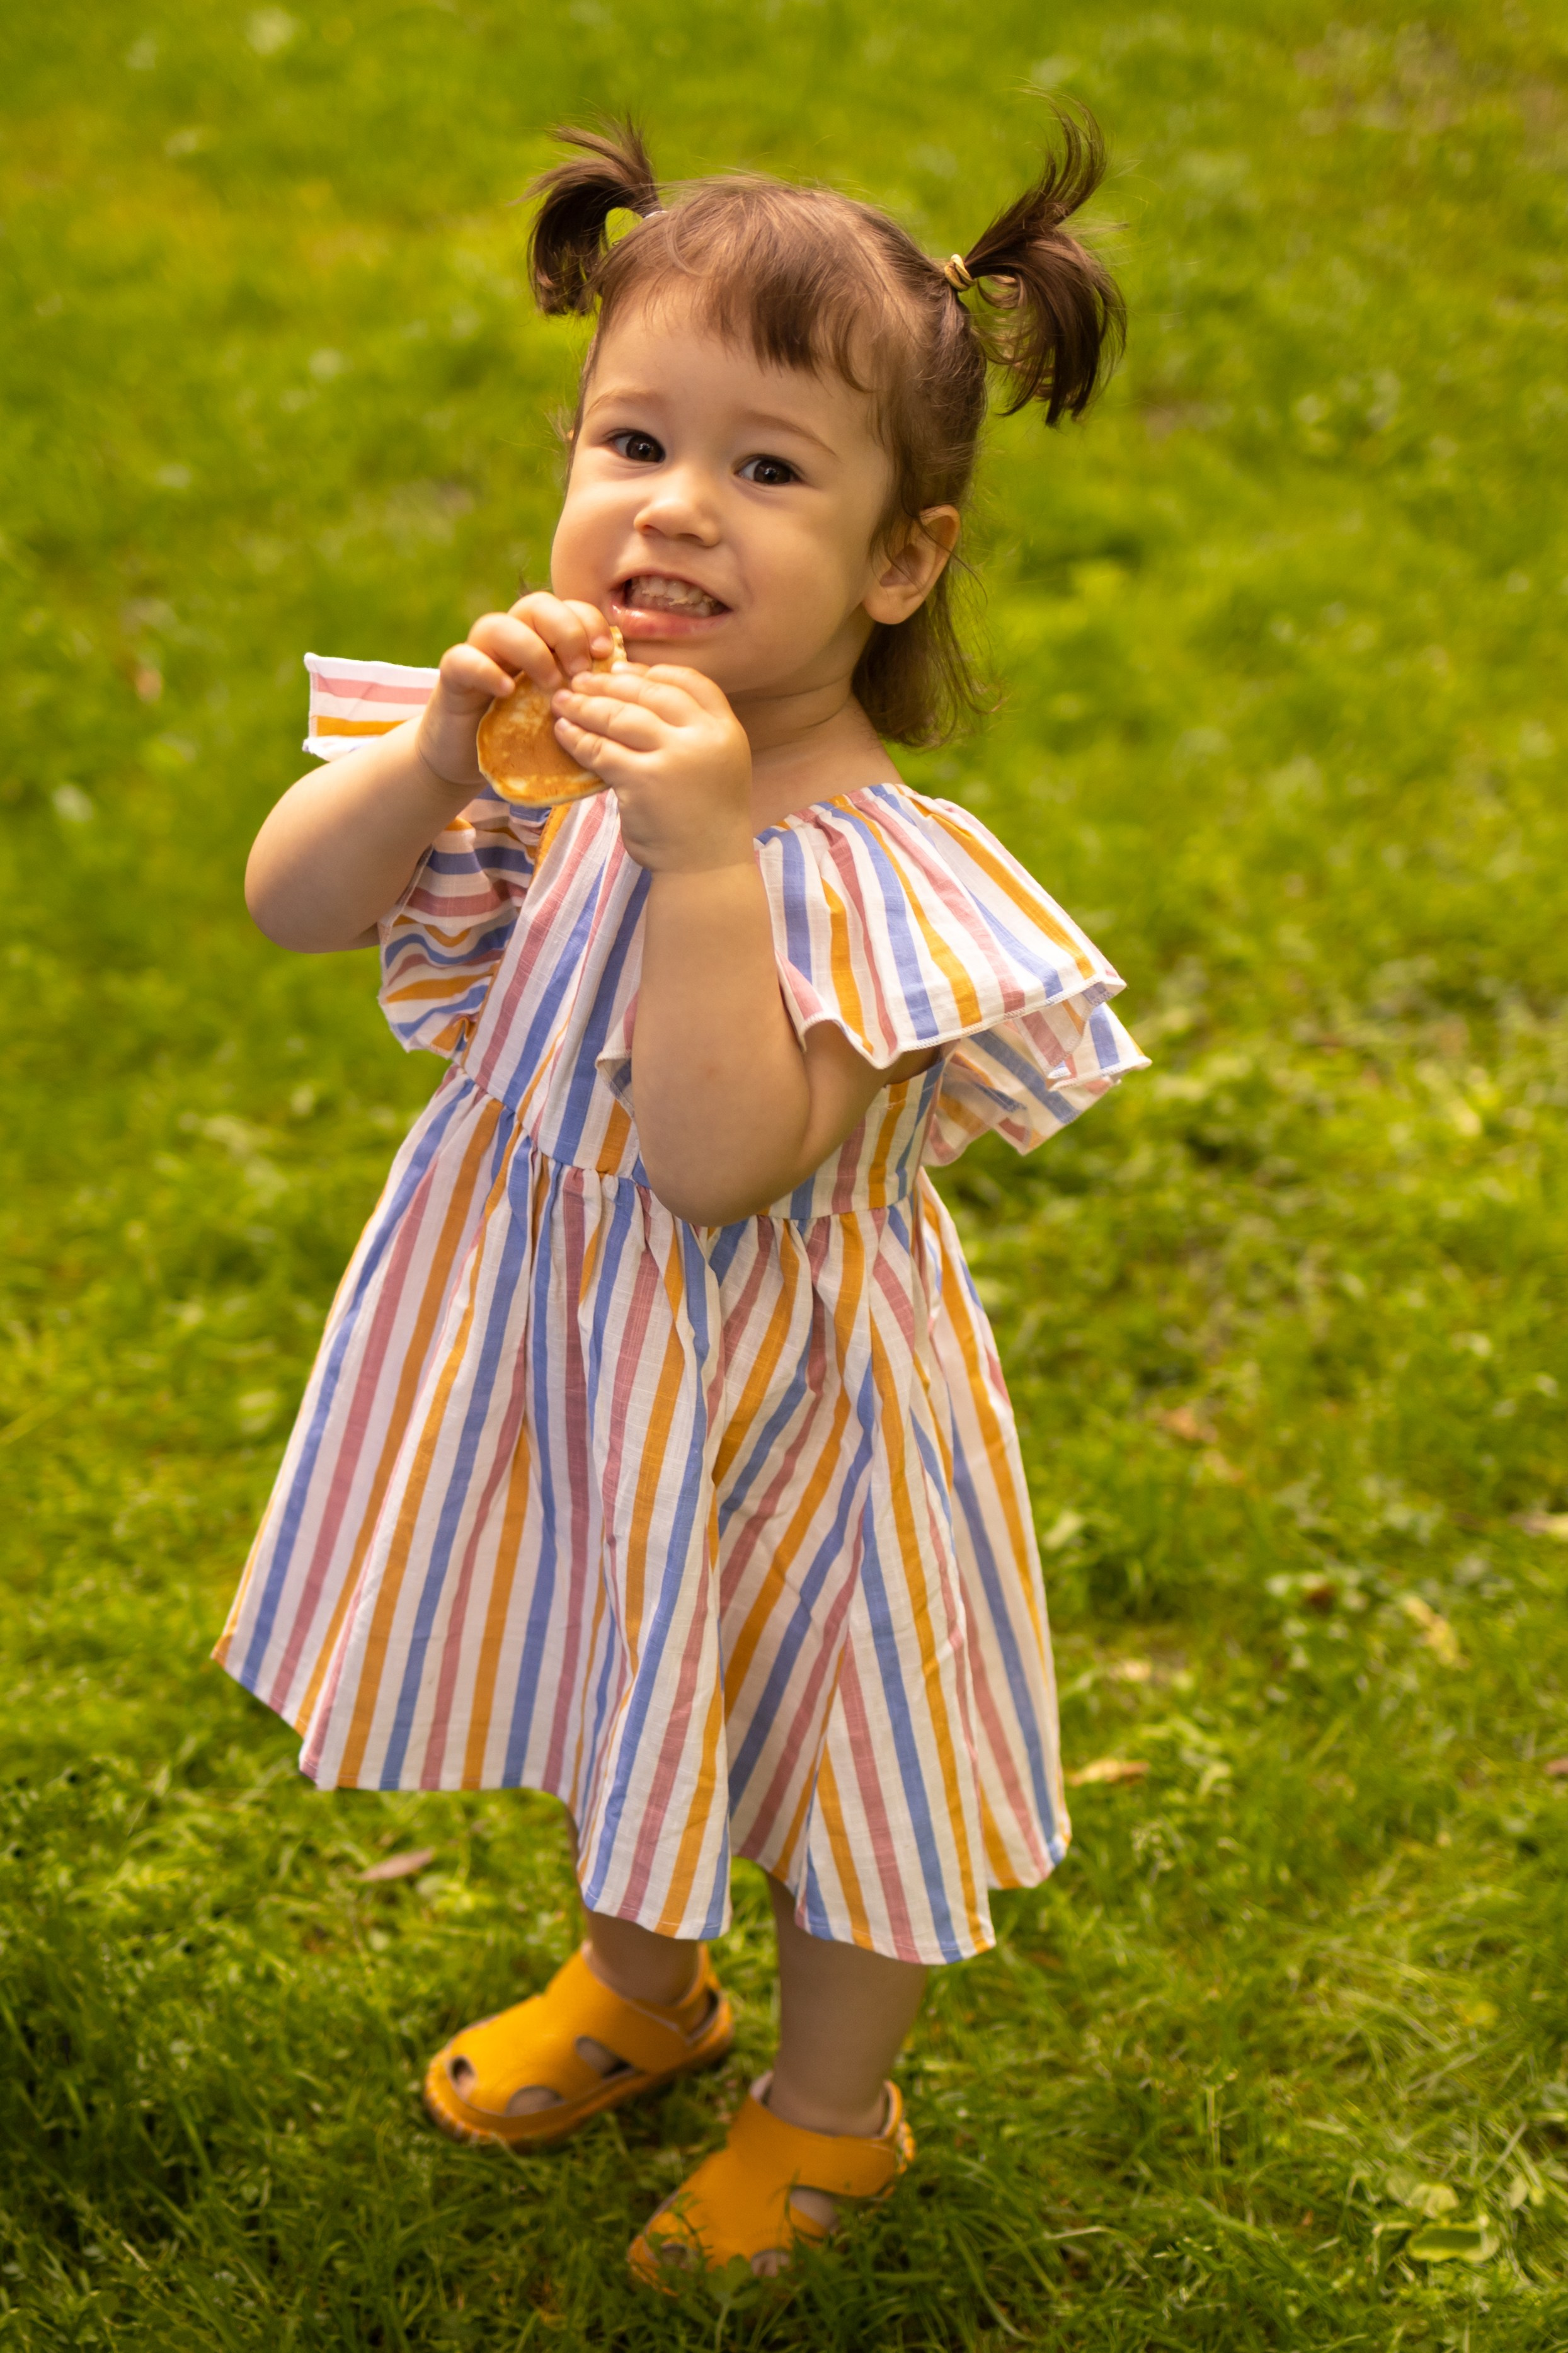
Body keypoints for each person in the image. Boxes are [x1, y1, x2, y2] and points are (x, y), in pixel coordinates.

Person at [218, 113, 1146, 2288]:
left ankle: (834, 2112)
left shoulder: (867, 877)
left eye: (767, 470)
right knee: (627, 1671)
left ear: (898, 563)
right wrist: (437, 764)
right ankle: (643, 1986)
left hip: (800, 1431)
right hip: (574, 1375)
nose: (675, 507)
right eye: (636, 436)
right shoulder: (555, 752)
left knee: (822, 1756)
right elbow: (286, 905)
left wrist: (704, 860)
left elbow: (723, 1162)